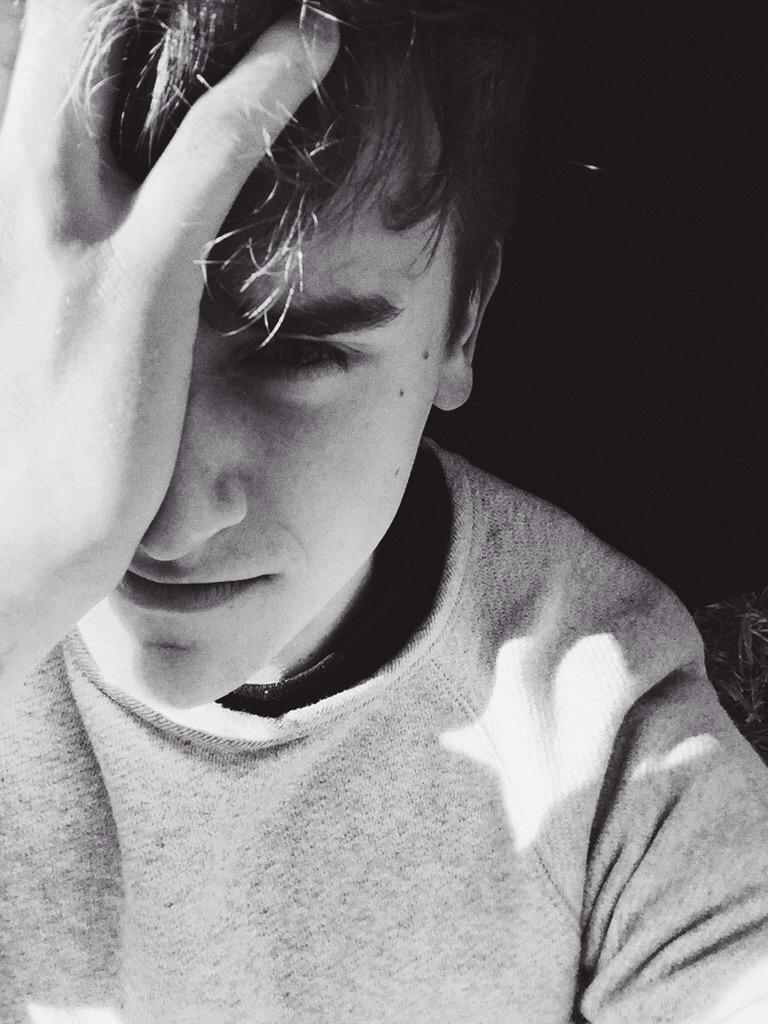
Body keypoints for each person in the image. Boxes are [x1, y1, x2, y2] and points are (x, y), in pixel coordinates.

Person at [0, 1, 766, 1021]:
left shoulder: (596, 727)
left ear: (465, 321)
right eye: (65, 349)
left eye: (296, 352)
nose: (165, 517)